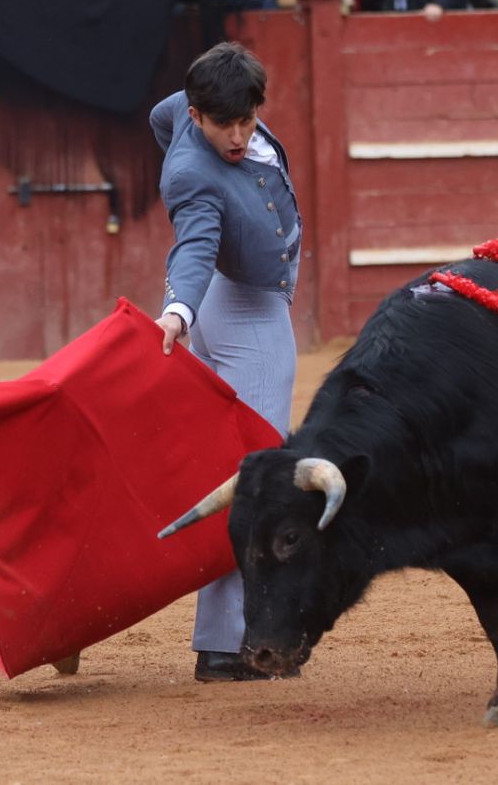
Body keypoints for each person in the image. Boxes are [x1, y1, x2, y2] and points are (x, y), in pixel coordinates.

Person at [147, 43, 302, 684]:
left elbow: (161, 118)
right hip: (240, 311)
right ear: (197, 114)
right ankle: (230, 644)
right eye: (222, 126)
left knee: (235, 468)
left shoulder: (194, 110)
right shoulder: (190, 175)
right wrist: (178, 309)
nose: (237, 136)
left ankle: (225, 635)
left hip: (231, 303)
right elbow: (195, 245)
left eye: (246, 120)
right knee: (260, 474)